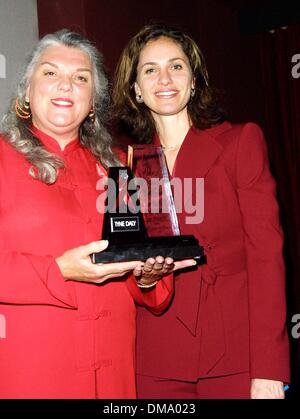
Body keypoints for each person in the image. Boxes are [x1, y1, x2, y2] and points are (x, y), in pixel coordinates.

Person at [0, 29, 195, 399]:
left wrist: (149, 277)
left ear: (93, 102)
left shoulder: (120, 168)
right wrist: (55, 271)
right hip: (28, 374)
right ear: (26, 91)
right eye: (51, 73)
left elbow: (138, 274)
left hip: (113, 375)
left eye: (81, 78)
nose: (66, 85)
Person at [112, 23, 290, 399]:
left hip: (233, 352)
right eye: (150, 70)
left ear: (194, 80)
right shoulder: (123, 164)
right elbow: (122, 264)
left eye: (176, 66)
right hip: (155, 356)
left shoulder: (241, 142)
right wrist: (143, 279)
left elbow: (266, 259)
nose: (165, 78)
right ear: (136, 90)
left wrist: (269, 368)